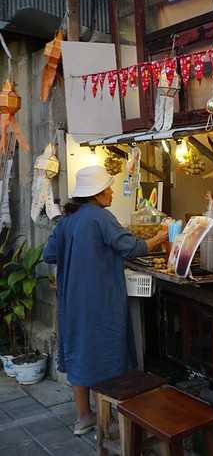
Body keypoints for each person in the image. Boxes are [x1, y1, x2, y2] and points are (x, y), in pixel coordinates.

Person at [43, 165, 167, 435]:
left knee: (79, 352)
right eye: (108, 188)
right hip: (101, 299)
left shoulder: (67, 220)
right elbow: (131, 247)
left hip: (72, 301)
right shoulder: (100, 217)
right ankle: (111, 417)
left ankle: (84, 417)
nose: (112, 192)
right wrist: (162, 236)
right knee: (109, 352)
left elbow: (49, 255)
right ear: (97, 194)